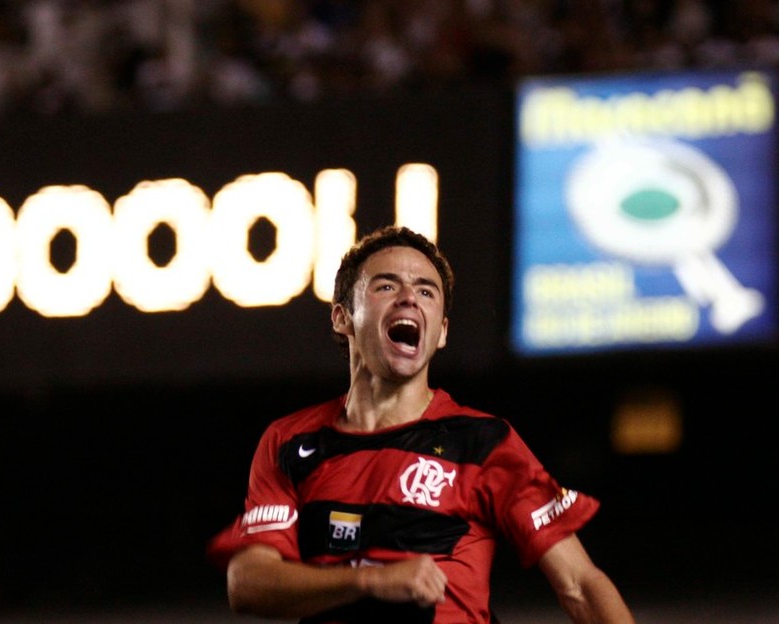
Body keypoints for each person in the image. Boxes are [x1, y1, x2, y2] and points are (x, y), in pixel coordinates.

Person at [206, 225, 635, 623]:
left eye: (426, 291)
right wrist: (372, 580)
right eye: (387, 285)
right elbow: (248, 584)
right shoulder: (289, 441)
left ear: (442, 331)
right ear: (341, 317)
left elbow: (580, 585)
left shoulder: (485, 442)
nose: (409, 297)